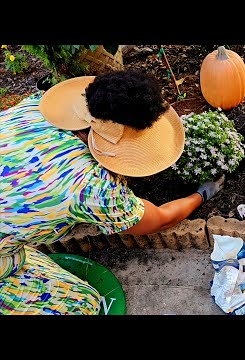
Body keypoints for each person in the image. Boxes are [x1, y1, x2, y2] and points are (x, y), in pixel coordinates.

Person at [0, 70, 224, 315]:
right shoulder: (91, 185)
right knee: (85, 305)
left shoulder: (33, 109)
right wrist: (201, 194)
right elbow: (159, 220)